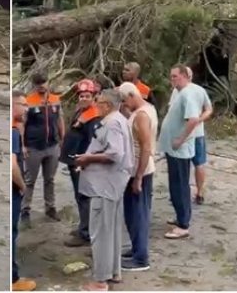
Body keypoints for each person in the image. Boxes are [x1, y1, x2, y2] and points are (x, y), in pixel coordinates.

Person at [75, 89, 135, 291]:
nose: (95, 105)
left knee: (100, 233)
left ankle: (100, 281)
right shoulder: (118, 119)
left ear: (107, 105)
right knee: (111, 230)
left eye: (98, 102)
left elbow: (115, 154)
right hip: (112, 185)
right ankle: (114, 272)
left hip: (105, 186)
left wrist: (87, 158)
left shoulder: (112, 122)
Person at [157, 64, 204, 239]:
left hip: (180, 149)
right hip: (173, 149)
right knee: (175, 184)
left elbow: (193, 119)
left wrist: (180, 139)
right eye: (171, 76)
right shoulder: (180, 93)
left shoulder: (189, 94)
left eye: (175, 76)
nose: (172, 80)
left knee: (180, 185)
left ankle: (183, 224)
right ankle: (180, 217)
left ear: (185, 76)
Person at [119, 82, 158, 272]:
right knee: (133, 212)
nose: (124, 103)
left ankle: (141, 258)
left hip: (139, 169)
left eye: (125, 99)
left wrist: (139, 177)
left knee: (137, 214)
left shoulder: (142, 115)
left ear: (132, 95)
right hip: (136, 168)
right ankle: (136, 248)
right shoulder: (147, 109)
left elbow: (146, 147)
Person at [62, 79, 103, 247]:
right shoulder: (82, 111)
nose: (83, 98)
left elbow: (92, 143)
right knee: (80, 197)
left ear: (93, 96)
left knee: (84, 197)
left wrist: (83, 162)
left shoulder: (94, 117)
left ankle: (85, 232)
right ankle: (83, 226)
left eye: (87, 96)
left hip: (82, 162)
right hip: (75, 160)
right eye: (81, 96)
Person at [21, 72, 65, 225]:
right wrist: (22, 145)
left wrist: (62, 138)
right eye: (38, 83)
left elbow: (60, 119)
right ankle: (25, 210)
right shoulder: (28, 101)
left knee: (50, 179)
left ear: (48, 82)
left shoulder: (55, 100)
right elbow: (22, 124)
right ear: (34, 84)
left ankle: (50, 207)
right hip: (33, 146)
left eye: (43, 82)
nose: (41, 85)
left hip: (52, 146)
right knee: (29, 180)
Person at [11, 91, 36, 291]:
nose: (27, 109)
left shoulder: (16, 129)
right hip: (13, 189)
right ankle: (13, 280)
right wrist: (22, 185)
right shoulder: (11, 131)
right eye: (23, 104)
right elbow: (12, 167)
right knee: (11, 231)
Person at [185, 66, 213, 204]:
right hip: (183, 133)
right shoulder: (176, 91)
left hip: (196, 134)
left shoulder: (199, 90)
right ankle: (183, 191)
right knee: (184, 164)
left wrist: (199, 119)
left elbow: (208, 109)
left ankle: (200, 192)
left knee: (199, 163)